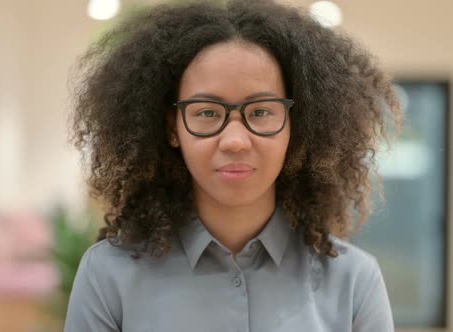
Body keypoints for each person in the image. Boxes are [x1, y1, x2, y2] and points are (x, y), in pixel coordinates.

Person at [65, 1, 402, 331]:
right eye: (208, 113)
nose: (236, 141)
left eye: (261, 111)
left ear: (295, 125)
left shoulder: (354, 280)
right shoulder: (108, 275)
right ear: (173, 128)